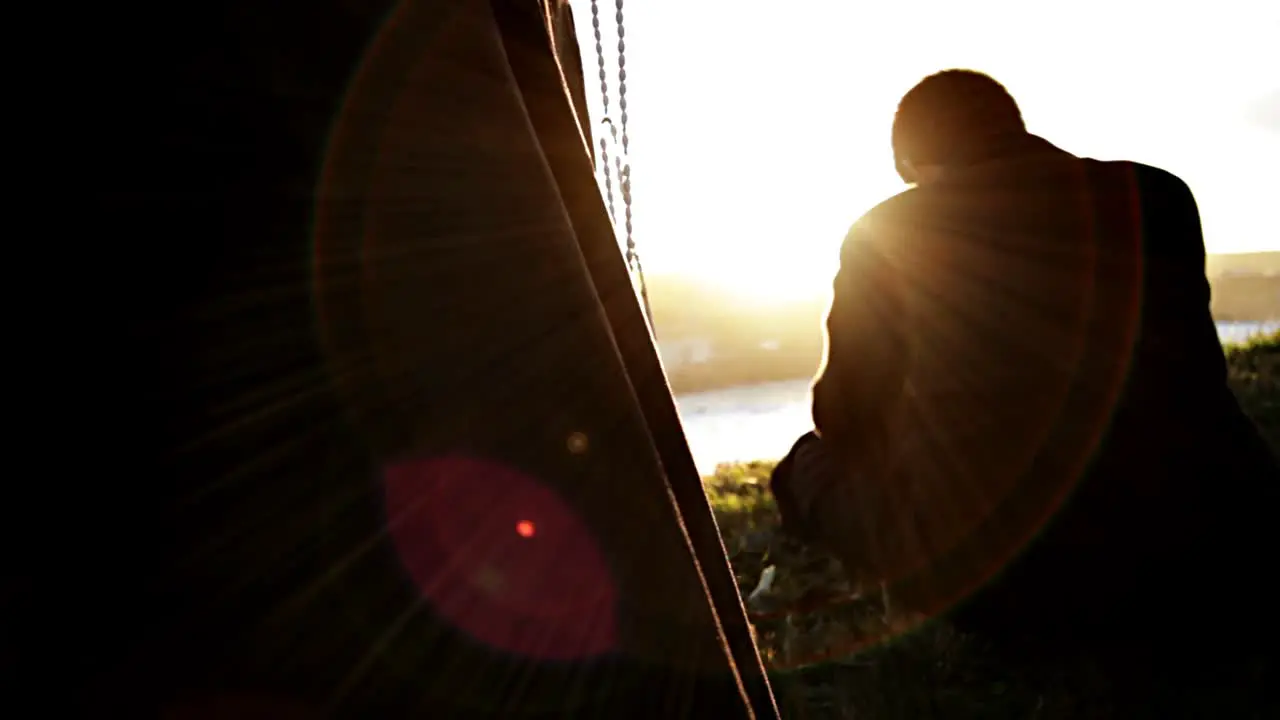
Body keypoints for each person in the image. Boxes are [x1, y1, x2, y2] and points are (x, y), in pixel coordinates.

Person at [771, 69, 1279, 696]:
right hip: (1226, 547)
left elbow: (842, 416)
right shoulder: (1156, 194)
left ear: (911, 159)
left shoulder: (888, 234)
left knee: (804, 465)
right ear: (1012, 126)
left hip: (1022, 583)